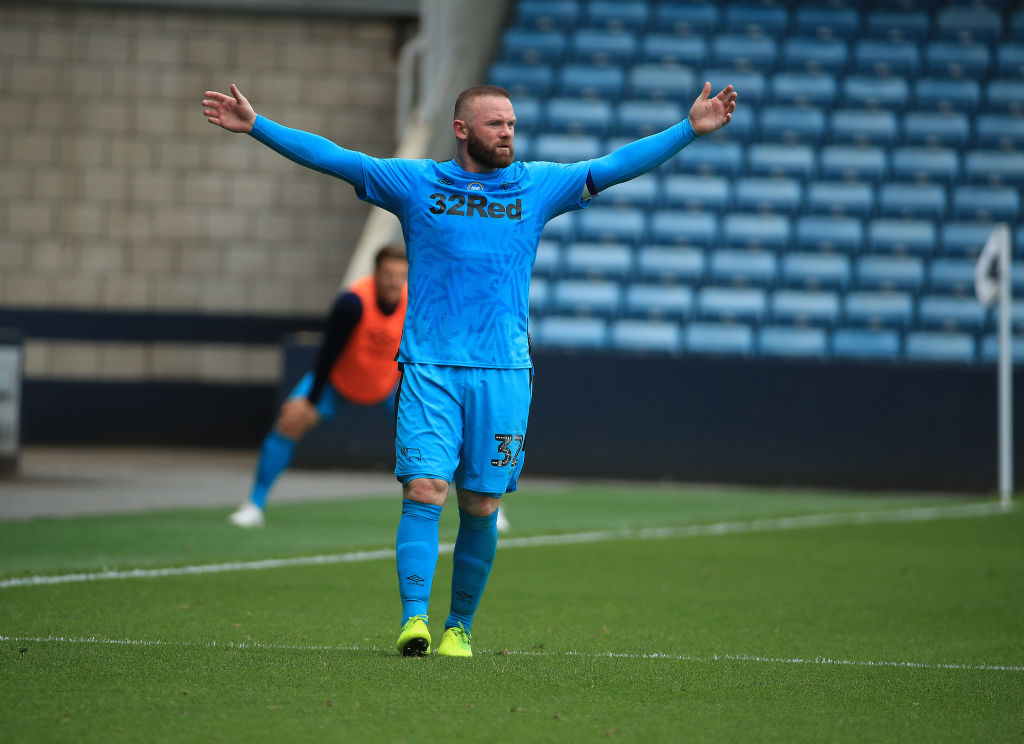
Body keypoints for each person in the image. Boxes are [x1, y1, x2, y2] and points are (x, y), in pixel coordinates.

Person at [202, 79, 736, 656]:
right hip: (430, 367)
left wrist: (688, 130)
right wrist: (258, 126)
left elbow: (614, 165)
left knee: (480, 504)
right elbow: (335, 158)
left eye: (511, 123)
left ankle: (459, 628)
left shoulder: (535, 186)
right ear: (462, 130)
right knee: (425, 487)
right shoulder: (417, 184)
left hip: (505, 373)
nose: (508, 132)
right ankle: (415, 621)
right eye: (495, 124)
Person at [229, 245, 409, 528]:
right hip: (338, 381)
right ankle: (254, 505)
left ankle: (481, 508)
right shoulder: (352, 303)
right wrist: (310, 400)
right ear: (376, 273)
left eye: (400, 275)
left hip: (387, 385)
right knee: (290, 420)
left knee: (439, 432)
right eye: (387, 274)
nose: (393, 281)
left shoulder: (415, 303)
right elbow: (327, 353)